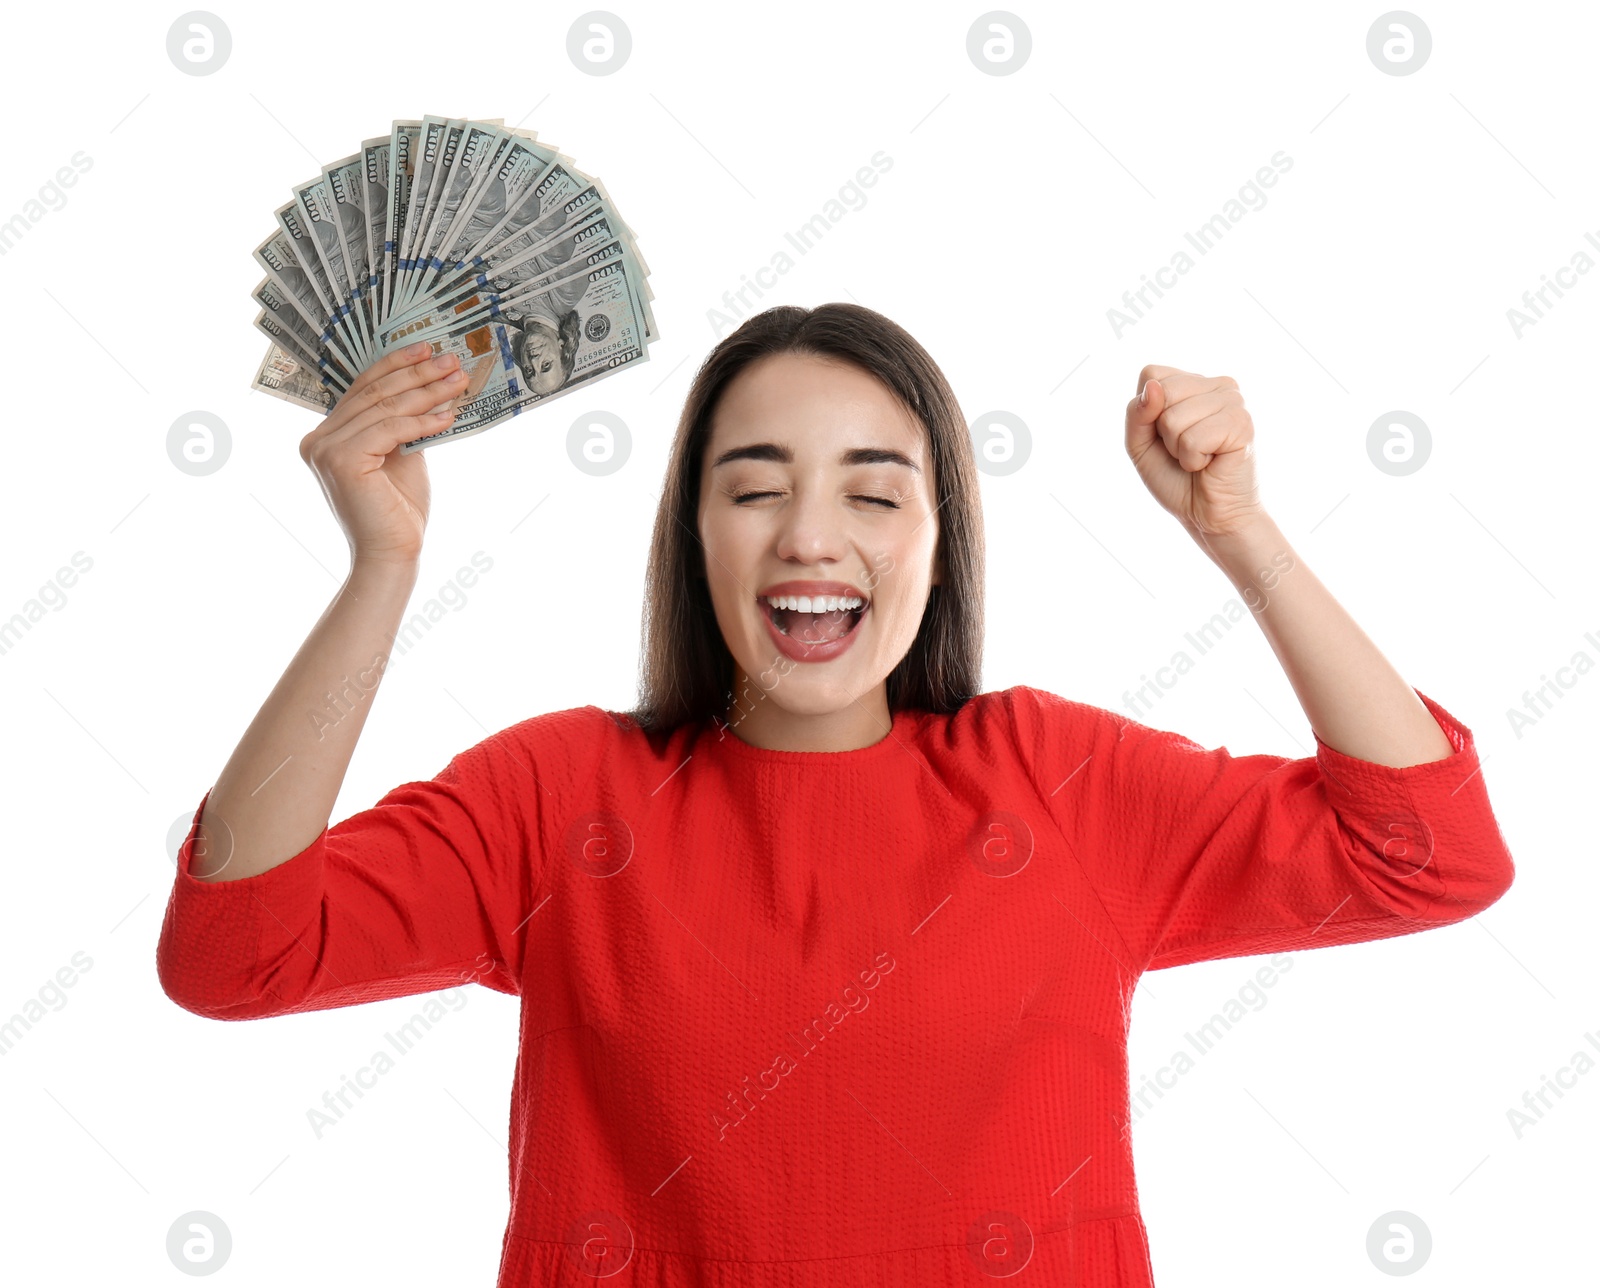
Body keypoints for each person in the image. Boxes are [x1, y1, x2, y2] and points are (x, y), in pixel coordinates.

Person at [156, 303, 1516, 1286]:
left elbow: (1432, 854)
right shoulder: (559, 794)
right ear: (695, 537)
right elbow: (235, 950)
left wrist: (1239, 530)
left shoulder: (1059, 784)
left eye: (875, 494)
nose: (811, 535)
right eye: (754, 490)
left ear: (939, 540)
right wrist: (380, 569)